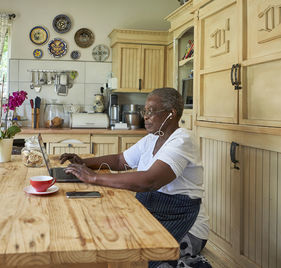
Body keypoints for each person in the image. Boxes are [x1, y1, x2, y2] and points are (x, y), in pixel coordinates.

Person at [60, 88, 210, 268]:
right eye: (144, 111)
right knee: (111, 240)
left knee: (139, 258)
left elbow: (150, 181)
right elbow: (120, 160)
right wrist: (84, 162)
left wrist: (94, 178)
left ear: (171, 114)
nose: (145, 116)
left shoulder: (182, 140)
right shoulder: (152, 138)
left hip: (184, 222)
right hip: (151, 212)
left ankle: (192, 262)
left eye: (151, 111)